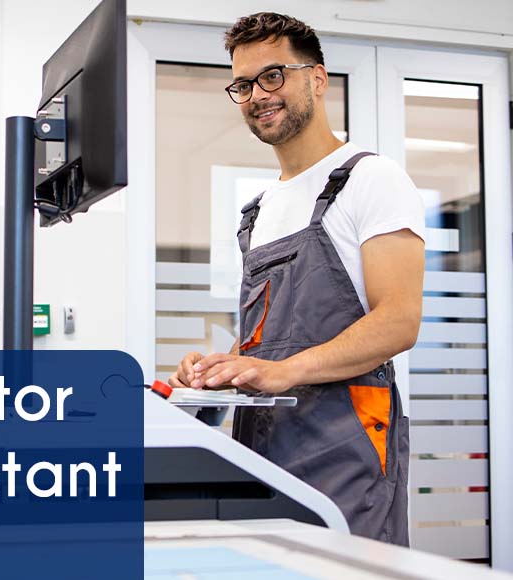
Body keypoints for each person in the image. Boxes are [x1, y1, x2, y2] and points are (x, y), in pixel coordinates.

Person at [169, 12, 425, 545]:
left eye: (273, 75)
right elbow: (275, 334)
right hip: (263, 445)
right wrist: (223, 366)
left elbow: (398, 322)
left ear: (317, 78)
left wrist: (285, 371)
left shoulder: (370, 178)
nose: (258, 94)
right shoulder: (259, 210)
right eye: (242, 84)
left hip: (345, 443)